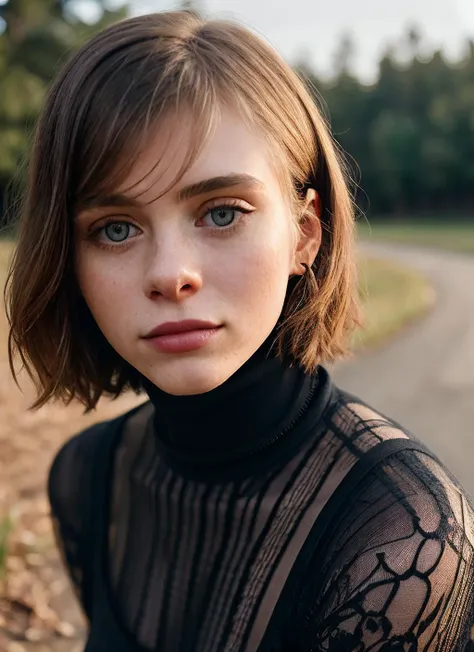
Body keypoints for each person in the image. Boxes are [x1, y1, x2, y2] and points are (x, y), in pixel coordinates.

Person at [6, 10, 474, 652]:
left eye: (222, 212)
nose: (171, 275)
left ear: (304, 234)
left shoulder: (401, 535)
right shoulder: (85, 481)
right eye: (115, 228)